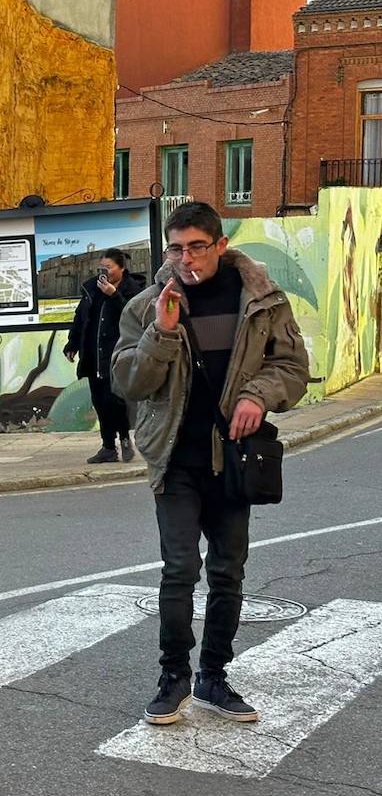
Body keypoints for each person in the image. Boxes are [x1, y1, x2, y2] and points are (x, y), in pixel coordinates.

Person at [112, 201, 308, 726]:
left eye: (197, 246)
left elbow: (292, 367)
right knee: (179, 570)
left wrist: (258, 396)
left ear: (221, 245)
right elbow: (127, 381)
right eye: (176, 248)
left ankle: (213, 677)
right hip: (175, 459)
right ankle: (172, 676)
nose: (186, 258)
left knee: (228, 573)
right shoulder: (148, 305)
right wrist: (162, 333)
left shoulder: (261, 300)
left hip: (236, 460)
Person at [64, 248, 146, 463]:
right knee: (99, 401)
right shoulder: (92, 288)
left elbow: (135, 315)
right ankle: (108, 447)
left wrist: (114, 295)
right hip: (93, 354)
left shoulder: (133, 289)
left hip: (118, 355)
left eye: (109, 267)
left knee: (115, 400)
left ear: (121, 268)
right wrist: (72, 344)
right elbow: (81, 318)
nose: (105, 272)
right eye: (102, 267)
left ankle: (125, 439)